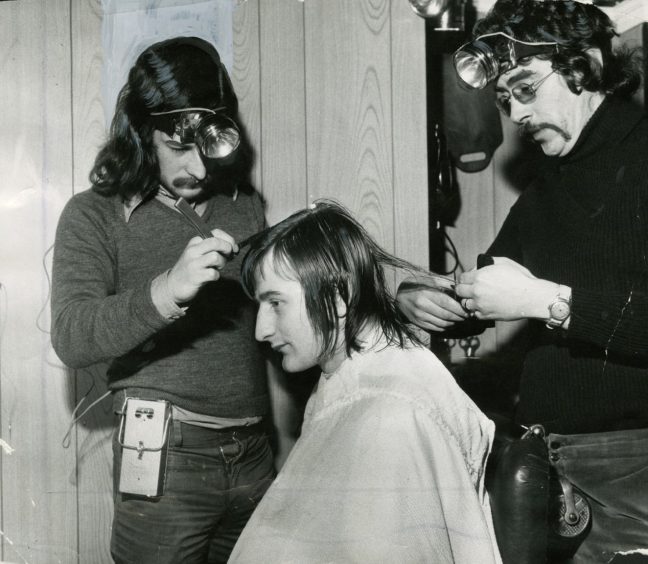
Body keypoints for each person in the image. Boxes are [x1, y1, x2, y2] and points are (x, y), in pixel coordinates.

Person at [396, 1, 648, 561]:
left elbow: (532, 297)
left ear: (583, 68)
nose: (516, 114)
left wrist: (545, 301)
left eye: (527, 88)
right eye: (506, 99)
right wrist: (422, 296)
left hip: (633, 472)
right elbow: (488, 287)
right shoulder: (548, 184)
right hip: (550, 466)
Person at [51, 37, 275, 564]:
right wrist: (166, 290)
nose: (199, 168)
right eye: (178, 146)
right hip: (164, 454)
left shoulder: (244, 206)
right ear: (141, 132)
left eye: (210, 145)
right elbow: (71, 333)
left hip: (256, 452)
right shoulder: (94, 214)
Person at [228, 200, 501, 563]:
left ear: (339, 297)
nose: (261, 330)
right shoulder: (348, 374)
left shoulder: (392, 415)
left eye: (276, 303)